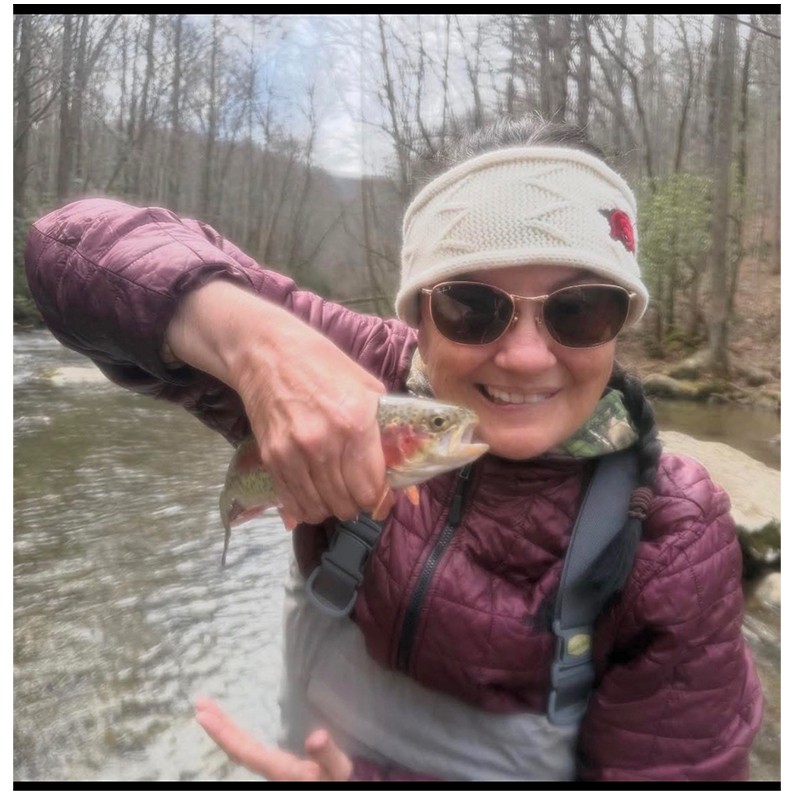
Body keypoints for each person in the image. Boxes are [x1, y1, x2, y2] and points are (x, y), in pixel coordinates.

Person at [25, 119, 763, 782]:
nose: (526, 356)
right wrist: (259, 347)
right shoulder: (342, 367)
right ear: (419, 312)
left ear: (619, 320)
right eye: (473, 306)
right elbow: (65, 246)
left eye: (579, 309)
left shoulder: (670, 531)